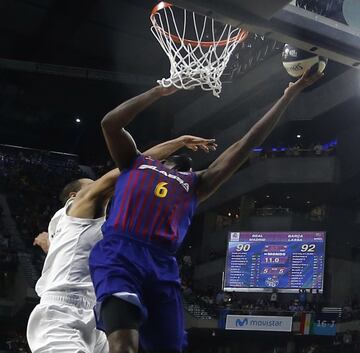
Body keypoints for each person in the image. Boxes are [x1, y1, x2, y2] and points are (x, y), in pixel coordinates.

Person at [89, 69, 323, 353]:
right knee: (123, 346)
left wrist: (288, 96)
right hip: (121, 254)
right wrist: (157, 92)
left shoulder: (197, 183)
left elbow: (246, 143)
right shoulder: (135, 162)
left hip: (162, 265)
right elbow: (110, 124)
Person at [26, 135, 215, 353]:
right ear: (74, 195)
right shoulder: (83, 205)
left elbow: (67, 254)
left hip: (95, 315)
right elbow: (137, 164)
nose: (102, 184)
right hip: (62, 311)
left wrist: (46, 242)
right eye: (93, 183)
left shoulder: (73, 225)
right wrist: (179, 142)